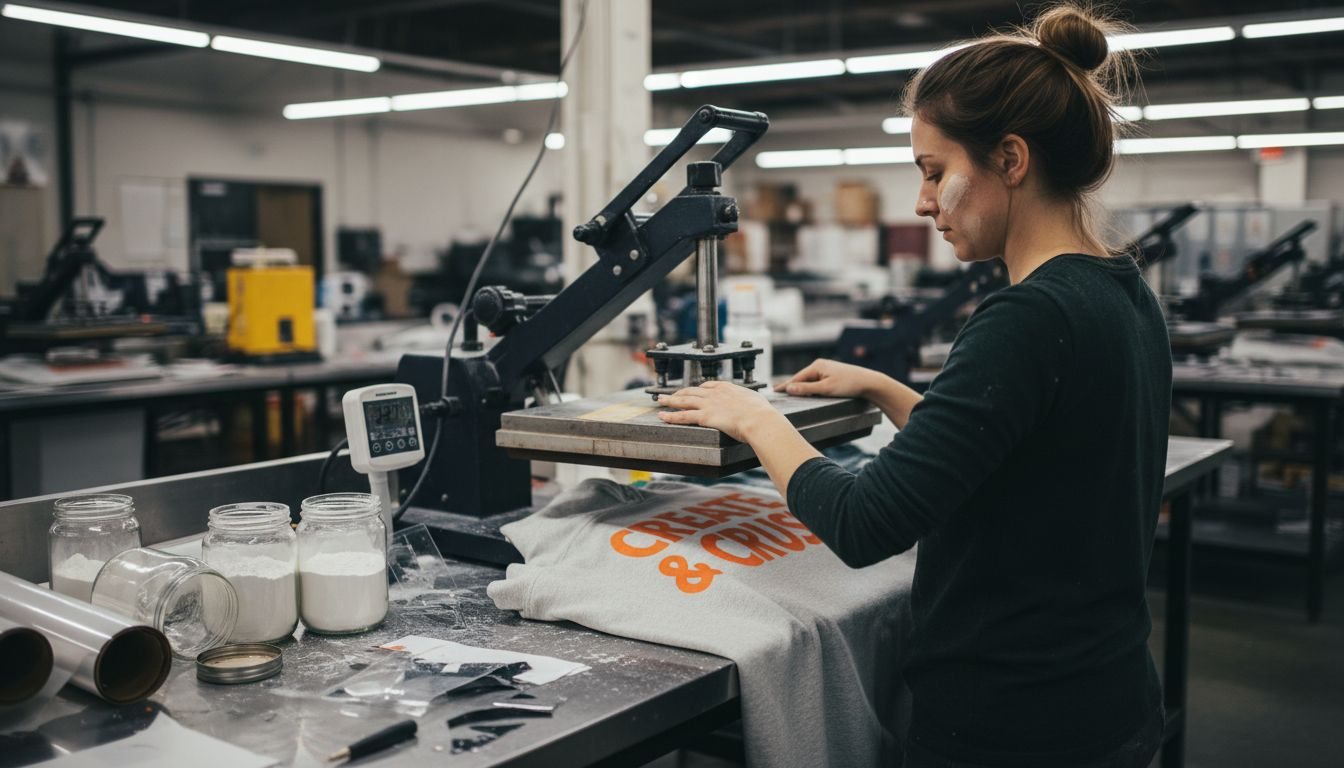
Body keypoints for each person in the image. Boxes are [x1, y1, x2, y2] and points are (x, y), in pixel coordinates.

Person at [655, 4, 1171, 767]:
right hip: (1107, 700)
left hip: (1012, 727)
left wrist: (755, 416)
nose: (923, 202)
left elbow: (868, 523)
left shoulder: (1025, 317)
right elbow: (1031, 456)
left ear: (1011, 160)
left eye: (934, 172)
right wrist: (893, 393)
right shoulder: (1122, 292)